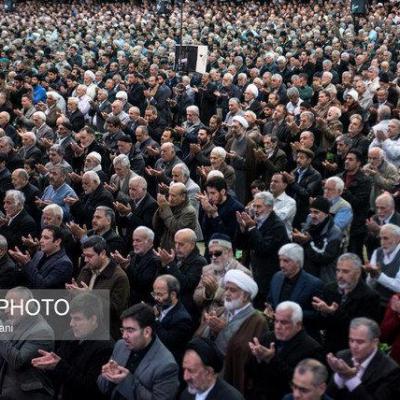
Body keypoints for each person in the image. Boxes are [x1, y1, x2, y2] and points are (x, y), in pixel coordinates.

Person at [196, 269, 267, 394]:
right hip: (211, 375)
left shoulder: (257, 320)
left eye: (232, 290)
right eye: (226, 288)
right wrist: (211, 330)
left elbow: (244, 351)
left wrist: (223, 330)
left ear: (245, 296)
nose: (227, 293)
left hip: (232, 379)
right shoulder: (222, 311)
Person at [31, 293, 114, 400]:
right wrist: (48, 367)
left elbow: (91, 388)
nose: (71, 323)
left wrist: (58, 365)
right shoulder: (69, 335)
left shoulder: (106, 347)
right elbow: (59, 373)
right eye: (71, 318)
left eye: (77, 319)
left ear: (93, 319)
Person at [98, 303, 179, 400]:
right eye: (123, 330)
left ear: (147, 332)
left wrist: (126, 381)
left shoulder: (166, 365)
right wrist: (107, 375)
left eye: (130, 330)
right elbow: (103, 387)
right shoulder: (120, 345)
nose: (124, 336)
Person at [248, 301, 324, 400]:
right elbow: (251, 372)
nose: (278, 326)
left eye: (284, 322)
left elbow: (300, 383)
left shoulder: (312, 348)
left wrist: (271, 359)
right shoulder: (268, 337)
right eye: (276, 321)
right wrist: (257, 358)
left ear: (298, 324)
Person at [312, 253, 381, 353]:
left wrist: (334, 312)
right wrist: (323, 312)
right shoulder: (330, 289)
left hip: (353, 351)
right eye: (338, 270)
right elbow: (320, 324)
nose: (339, 275)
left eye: (345, 271)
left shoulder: (370, 297)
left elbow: (360, 330)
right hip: (329, 348)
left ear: (358, 273)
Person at [68, 236, 129, 339]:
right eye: (84, 256)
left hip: (104, 332)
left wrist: (90, 295)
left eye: (89, 256)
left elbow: (116, 311)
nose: (86, 260)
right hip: (81, 325)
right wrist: (73, 293)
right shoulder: (87, 269)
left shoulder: (119, 277)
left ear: (102, 254)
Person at [0, 286, 55, 400]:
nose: (6, 310)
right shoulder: (15, 322)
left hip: (27, 395)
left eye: (12, 305)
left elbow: (18, 361)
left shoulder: (42, 331)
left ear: (28, 305)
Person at [326, 317, 400, 400]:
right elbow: (329, 394)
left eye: (360, 342)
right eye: (351, 340)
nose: (354, 346)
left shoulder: (390, 370)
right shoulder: (342, 356)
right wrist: (339, 375)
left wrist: (350, 378)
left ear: (375, 342)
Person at [236, 191, 289, 304]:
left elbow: (263, 248)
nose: (255, 209)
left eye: (259, 206)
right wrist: (242, 228)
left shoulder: (277, 226)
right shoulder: (255, 221)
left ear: (270, 207)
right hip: (253, 272)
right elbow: (241, 246)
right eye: (254, 206)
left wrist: (251, 227)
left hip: (268, 277)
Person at [193, 233, 250, 310]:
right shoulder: (207, 270)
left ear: (229, 252)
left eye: (217, 253)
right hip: (206, 319)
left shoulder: (243, 273)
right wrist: (207, 293)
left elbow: (241, 303)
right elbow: (196, 298)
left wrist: (216, 291)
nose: (213, 257)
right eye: (210, 254)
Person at [9, 225, 73, 289]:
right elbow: (25, 278)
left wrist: (27, 264)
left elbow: (43, 285)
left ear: (57, 242)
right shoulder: (39, 254)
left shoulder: (64, 263)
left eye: (46, 238)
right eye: (41, 237)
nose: (41, 241)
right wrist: (21, 264)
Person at [180, 337, 244, 400]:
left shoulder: (231, 398)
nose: (185, 377)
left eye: (191, 371)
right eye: (184, 369)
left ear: (209, 373)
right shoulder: (186, 394)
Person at [112, 226, 160, 305]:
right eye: (133, 240)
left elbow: (142, 284)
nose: (134, 244)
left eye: (138, 241)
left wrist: (126, 266)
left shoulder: (155, 260)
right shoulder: (133, 255)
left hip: (144, 304)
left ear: (150, 242)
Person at [153, 274, 193, 362]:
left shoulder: (183, 319)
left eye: (160, 294)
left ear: (173, 295)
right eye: (154, 294)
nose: (156, 298)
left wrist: (155, 319)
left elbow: (167, 341)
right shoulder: (160, 306)